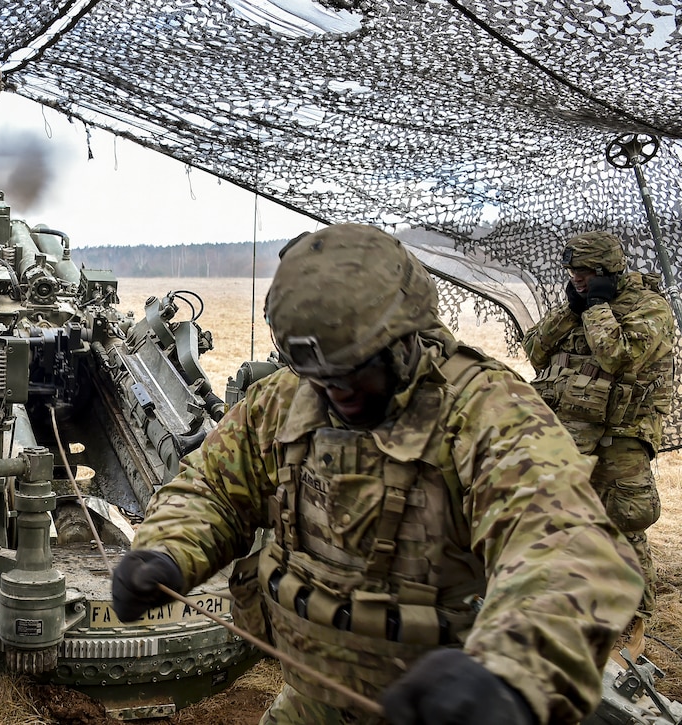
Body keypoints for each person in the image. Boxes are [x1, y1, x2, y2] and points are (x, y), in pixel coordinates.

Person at [111, 224, 643, 725]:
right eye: (316, 376)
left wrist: (509, 675)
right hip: (314, 695)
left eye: (353, 370)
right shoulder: (285, 399)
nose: (334, 392)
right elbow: (213, 488)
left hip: (444, 705)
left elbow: (566, 548)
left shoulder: (485, 412)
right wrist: (167, 550)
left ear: (405, 339)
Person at [523, 231, 675, 642]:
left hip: (620, 437)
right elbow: (535, 350)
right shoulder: (580, 302)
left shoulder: (649, 307)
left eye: (585, 272)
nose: (577, 279)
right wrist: (571, 310)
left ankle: (631, 631)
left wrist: (595, 308)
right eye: (572, 271)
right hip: (567, 434)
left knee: (621, 524)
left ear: (607, 271)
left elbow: (619, 355)